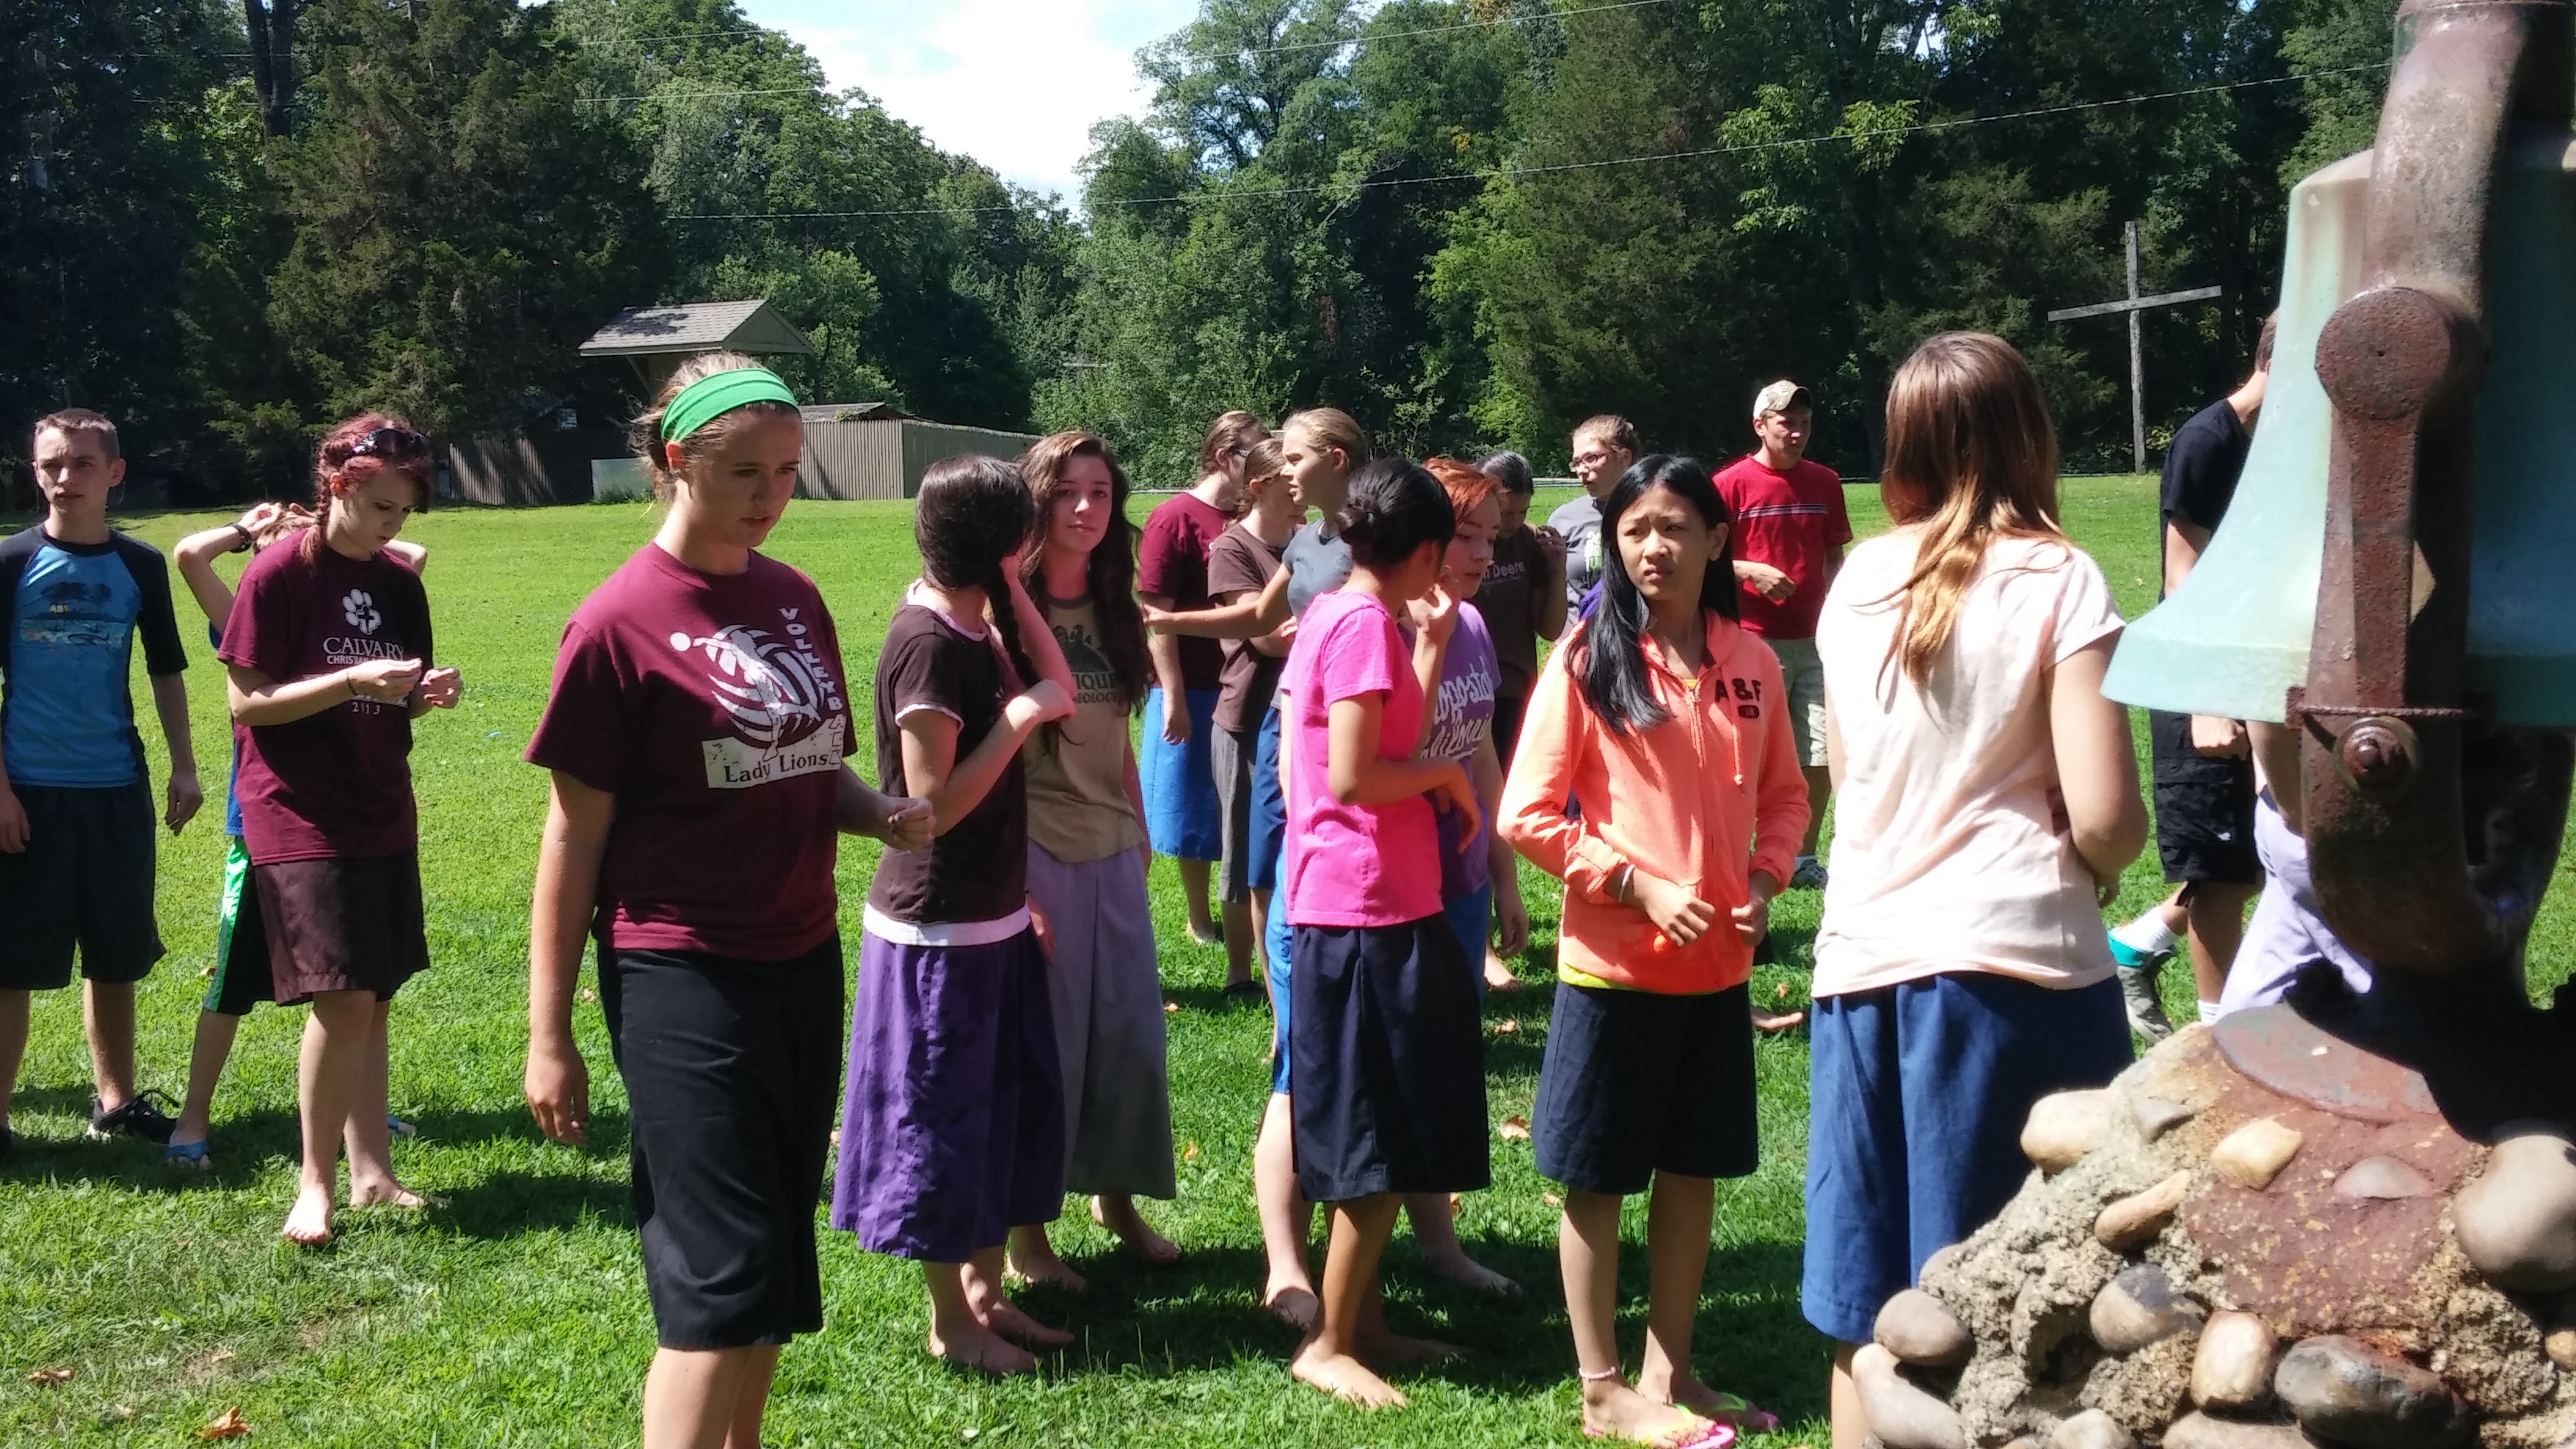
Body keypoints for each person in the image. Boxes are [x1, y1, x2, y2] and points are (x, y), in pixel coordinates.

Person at [521, 355, 931, 1449]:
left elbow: (809, 765)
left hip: (799, 958)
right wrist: (549, 1034)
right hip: (681, 970)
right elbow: (574, 836)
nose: (769, 496)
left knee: (773, 1257)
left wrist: (882, 813)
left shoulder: (791, 598)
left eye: (786, 472)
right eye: (745, 472)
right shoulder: (617, 624)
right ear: (676, 461)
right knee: (719, 1276)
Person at [1803, 333, 2146, 1449]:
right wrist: (2097, 864)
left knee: (1869, 1311)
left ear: (1900, 444)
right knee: (2020, 1314)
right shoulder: (2060, 577)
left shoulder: (1858, 578)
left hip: (1862, 965)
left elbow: (1856, 777)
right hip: (2017, 975)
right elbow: (2108, 816)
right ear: (2030, 434)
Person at [1500, 455, 1806, 1449]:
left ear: (1717, 540)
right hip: (1615, 975)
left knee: (1690, 1173)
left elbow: (1785, 797)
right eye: (1634, 530)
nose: (1653, 548)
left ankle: (1671, 1370)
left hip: (1716, 976)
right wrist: (1635, 884)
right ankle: (1601, 1391)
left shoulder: (1751, 662)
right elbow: (1527, 813)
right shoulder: (1588, 658)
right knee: (1597, 1181)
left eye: (1673, 528)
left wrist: (1764, 882)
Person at [832, 455, 1080, 1377]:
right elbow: (927, 805)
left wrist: (1010, 590)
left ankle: (985, 1296)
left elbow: (1057, 686)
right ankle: (951, 1322)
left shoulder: (975, 620)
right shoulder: (930, 642)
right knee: (941, 1125)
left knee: (996, 1114)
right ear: (1007, 540)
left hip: (991, 917)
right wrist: (1016, 719)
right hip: (936, 932)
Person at [1141, 406, 1367, 1330]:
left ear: (1334, 462)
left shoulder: (1375, 531)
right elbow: (1259, 617)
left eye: (1296, 454)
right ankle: (1285, 1017)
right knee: (1276, 887)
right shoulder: (1309, 542)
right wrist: (1168, 618)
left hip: (1358, 743)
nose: (1277, 466)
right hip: (1292, 735)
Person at [220, 414, 463, 1245]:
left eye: (404, 512)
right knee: (344, 993)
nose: (393, 526)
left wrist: (421, 695)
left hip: (379, 802)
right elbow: (248, 703)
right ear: (337, 487)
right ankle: (314, 1186)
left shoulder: (398, 583)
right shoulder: (278, 572)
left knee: (374, 992)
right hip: (298, 809)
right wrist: (352, 678)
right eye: (381, 507)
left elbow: (396, 697)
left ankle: (372, 1175)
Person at [1278, 458, 1489, 1409]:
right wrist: (1447, 779)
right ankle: (1328, 1343)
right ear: (1429, 551)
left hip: (1375, 899)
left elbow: (1385, 738)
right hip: (1366, 907)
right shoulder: (1363, 625)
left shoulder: (1337, 610)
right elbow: (1361, 776)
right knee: (1375, 1136)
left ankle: (1363, 1324)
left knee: (1383, 1127)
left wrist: (1433, 646)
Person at [166, 503, 427, 1168]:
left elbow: (410, 557)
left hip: (340, 822)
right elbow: (190, 554)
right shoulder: (251, 611)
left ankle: (359, 1119)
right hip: (262, 832)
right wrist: (248, 532)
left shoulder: (347, 597)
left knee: (358, 985)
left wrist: (332, 528)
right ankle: (192, 1117)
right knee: (232, 985)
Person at [1003, 431, 1180, 1288]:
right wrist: (1011, 885)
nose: (1085, 508)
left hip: (1115, 846)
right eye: (1066, 492)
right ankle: (1028, 1238)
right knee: (1050, 1050)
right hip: (1036, 849)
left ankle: (1116, 1200)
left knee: (1128, 1040)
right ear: (1036, 501)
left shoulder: (1117, 605)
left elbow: (1114, 738)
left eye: (1101, 493)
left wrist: (1139, 829)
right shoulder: (1002, 612)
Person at [0, 408, 201, 1157]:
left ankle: (115, 1103)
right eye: (52, 463)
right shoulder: (11, 561)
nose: (66, 477)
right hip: (27, 789)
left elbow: (166, 670)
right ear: (36, 471)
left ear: (115, 473)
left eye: (83, 463)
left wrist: (184, 765)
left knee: (116, 955)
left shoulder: (140, 565)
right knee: (11, 962)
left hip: (116, 786)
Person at [2108, 315, 2278, 1039]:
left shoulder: (2279, 445)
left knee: (2256, 859)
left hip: (2255, 667)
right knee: (2220, 874)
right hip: (2199, 677)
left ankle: (2136, 944)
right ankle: (2221, 1040)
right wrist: (2209, 700)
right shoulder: (2206, 440)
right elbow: (2181, 579)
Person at [1714, 380, 1851, 895]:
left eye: (1804, 424)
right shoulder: (1729, 485)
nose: (1796, 433)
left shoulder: (1825, 482)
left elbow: (1834, 557)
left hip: (1816, 639)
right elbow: (1703, 557)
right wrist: (1749, 570)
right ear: (1760, 426)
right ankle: (1738, 850)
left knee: (1819, 752)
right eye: (1786, 423)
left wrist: (1839, 615)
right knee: (1747, 752)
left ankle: (1802, 856)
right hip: (1751, 639)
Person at [1138, 411, 1266, 956]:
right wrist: (1172, 695)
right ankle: (1198, 915)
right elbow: (1156, 616)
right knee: (1192, 804)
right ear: (1224, 457)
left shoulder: (1253, 515)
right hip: (1191, 684)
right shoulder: (1173, 519)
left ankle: (1241, 906)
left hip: (1246, 683)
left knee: (1241, 803)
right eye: (1255, 454)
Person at [1205, 438, 1299, 1005]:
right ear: (1259, 488)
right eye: (1290, 482)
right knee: (1246, 853)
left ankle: (1283, 969)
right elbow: (1266, 637)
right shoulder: (1232, 548)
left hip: (1300, 720)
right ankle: (1242, 974)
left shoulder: (1309, 540)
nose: (1301, 493)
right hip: (1247, 717)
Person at [1469, 450, 1565, 993]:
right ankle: (1481, 950)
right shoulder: (1463, 539)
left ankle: (1491, 927)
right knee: (1476, 816)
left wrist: (1555, 568)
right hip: (1466, 692)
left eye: (1520, 512)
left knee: (1499, 813)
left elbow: (1549, 629)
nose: (1510, 523)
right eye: (1505, 510)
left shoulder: (1529, 543)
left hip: (1512, 693)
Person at [1548, 415, 1639, 609]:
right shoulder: (1563, 519)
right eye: (1577, 463)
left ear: (1624, 458)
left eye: (1591, 458)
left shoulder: (1649, 514)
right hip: (1578, 628)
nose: (1581, 470)